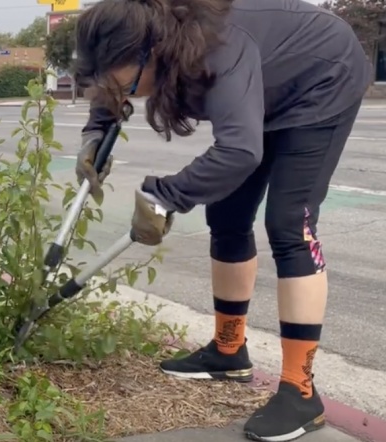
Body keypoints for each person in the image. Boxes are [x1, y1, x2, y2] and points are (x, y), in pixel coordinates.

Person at [72, 0, 370, 440]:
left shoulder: (218, 51)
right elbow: (113, 83)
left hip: (322, 77)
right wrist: (95, 133)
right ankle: (228, 352)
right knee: (227, 214)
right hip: (267, 84)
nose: (126, 95)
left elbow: (239, 152)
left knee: (290, 222)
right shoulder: (149, 45)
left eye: (128, 86)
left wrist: (165, 196)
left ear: (152, 51)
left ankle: (300, 391)